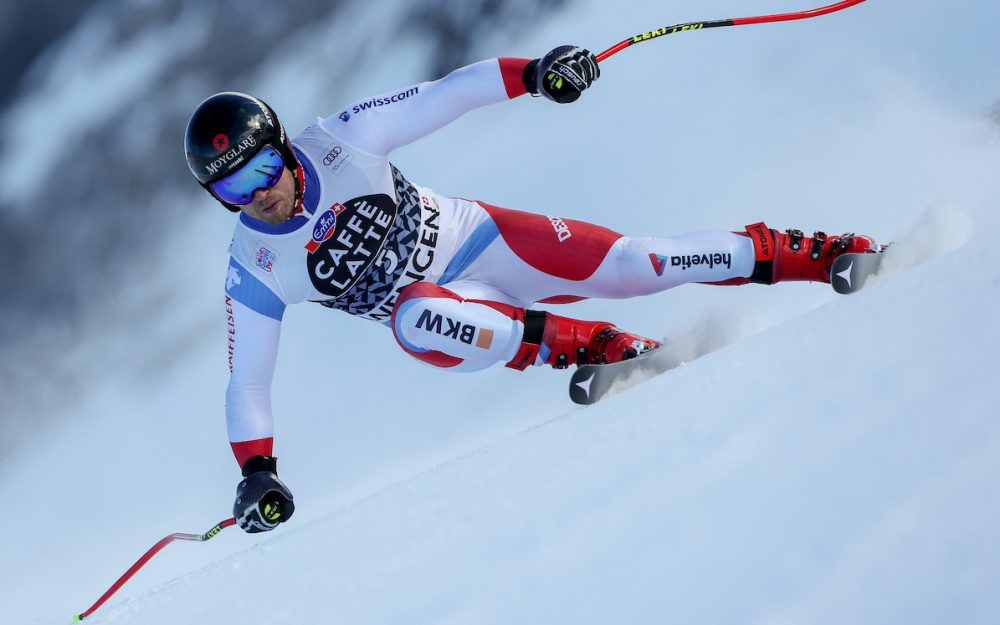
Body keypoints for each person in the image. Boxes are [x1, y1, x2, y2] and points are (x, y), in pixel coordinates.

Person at [185, 46, 879, 533]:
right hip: (453, 316)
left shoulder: (343, 138)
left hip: (487, 241)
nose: (262, 193)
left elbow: (449, 92)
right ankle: (605, 351)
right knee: (417, 315)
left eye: (264, 168)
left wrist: (539, 75)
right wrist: (257, 473)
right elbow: (248, 381)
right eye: (234, 187)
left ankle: (826, 255)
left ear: (281, 144)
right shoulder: (253, 263)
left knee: (638, 265)